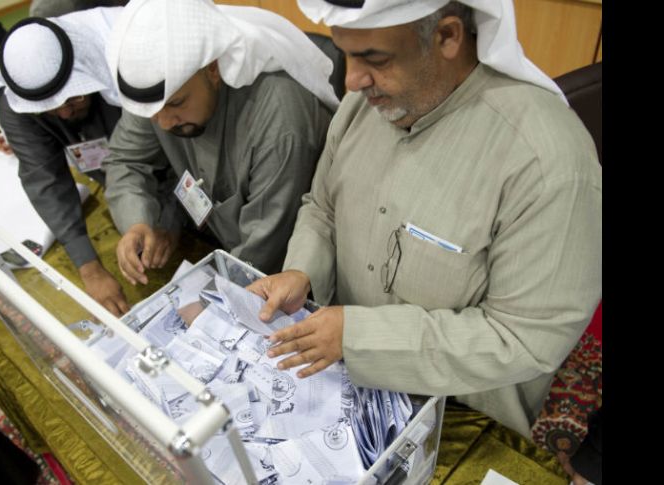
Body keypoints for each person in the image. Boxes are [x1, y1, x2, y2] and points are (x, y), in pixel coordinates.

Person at [248, 0, 602, 439]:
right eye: (347, 55)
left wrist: (358, 338)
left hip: (459, 422)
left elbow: (524, 339)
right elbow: (321, 208)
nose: (351, 80)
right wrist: (302, 270)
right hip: (335, 383)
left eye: (375, 58)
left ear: (448, 36)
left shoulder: (547, 160)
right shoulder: (365, 104)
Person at [102, 0, 339, 282]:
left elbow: (263, 249)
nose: (165, 123)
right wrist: (137, 221)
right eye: (152, 114)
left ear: (213, 69)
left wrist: (206, 299)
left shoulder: (280, 120)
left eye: (177, 103)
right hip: (213, 245)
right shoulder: (157, 94)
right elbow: (125, 159)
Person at [0, 7, 130, 316]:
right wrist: (90, 269)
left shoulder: (117, 56)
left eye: (74, 97)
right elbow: (44, 178)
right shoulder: (16, 103)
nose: (65, 114)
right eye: (49, 108)